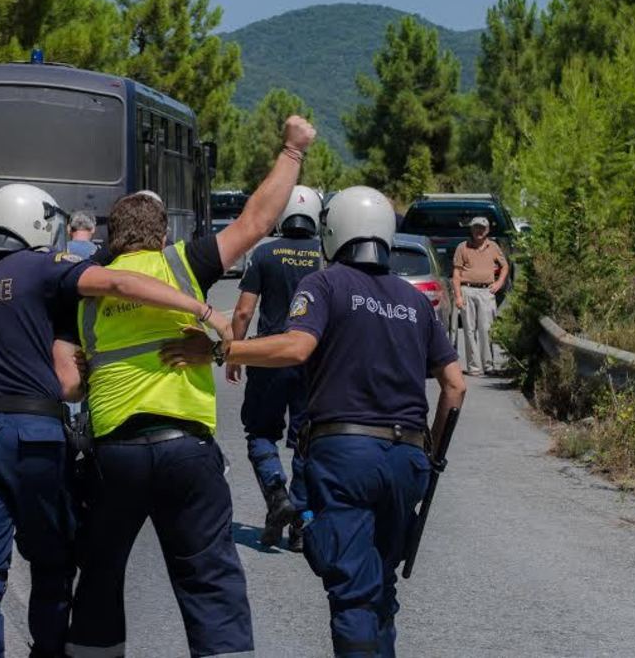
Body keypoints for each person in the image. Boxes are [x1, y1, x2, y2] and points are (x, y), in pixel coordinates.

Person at [0, 183, 231, 658]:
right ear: (36, 223)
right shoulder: (41, 267)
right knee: (53, 563)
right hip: (30, 432)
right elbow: (114, 284)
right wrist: (202, 309)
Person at [168, 185, 466, 657]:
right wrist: (433, 456)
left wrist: (224, 349)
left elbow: (297, 347)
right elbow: (455, 385)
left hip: (346, 455)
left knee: (351, 592)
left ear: (335, 232)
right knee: (380, 589)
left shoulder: (325, 284)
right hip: (409, 458)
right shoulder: (413, 301)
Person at [65, 116, 317, 658]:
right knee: (209, 578)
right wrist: (293, 152)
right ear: (162, 236)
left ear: (112, 238)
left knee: (100, 575)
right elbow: (255, 221)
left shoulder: (88, 297)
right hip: (186, 449)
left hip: (116, 452)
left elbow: (69, 378)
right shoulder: (183, 264)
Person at [225, 184, 323, 551]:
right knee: (306, 440)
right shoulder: (324, 256)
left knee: (260, 432)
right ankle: (301, 518)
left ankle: (276, 493)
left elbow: (244, 310)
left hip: (269, 356)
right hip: (312, 360)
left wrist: (235, 353)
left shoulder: (264, 253)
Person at [452, 215, 508, 375]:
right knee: (469, 330)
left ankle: (488, 366)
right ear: (471, 229)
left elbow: (505, 267)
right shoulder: (462, 247)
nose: (479, 231)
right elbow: (456, 273)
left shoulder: (494, 247)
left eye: (482, 228)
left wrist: (499, 283)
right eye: (476, 227)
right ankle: (474, 367)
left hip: (486, 292)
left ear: (487, 230)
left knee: (486, 329)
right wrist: (458, 296)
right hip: (467, 290)